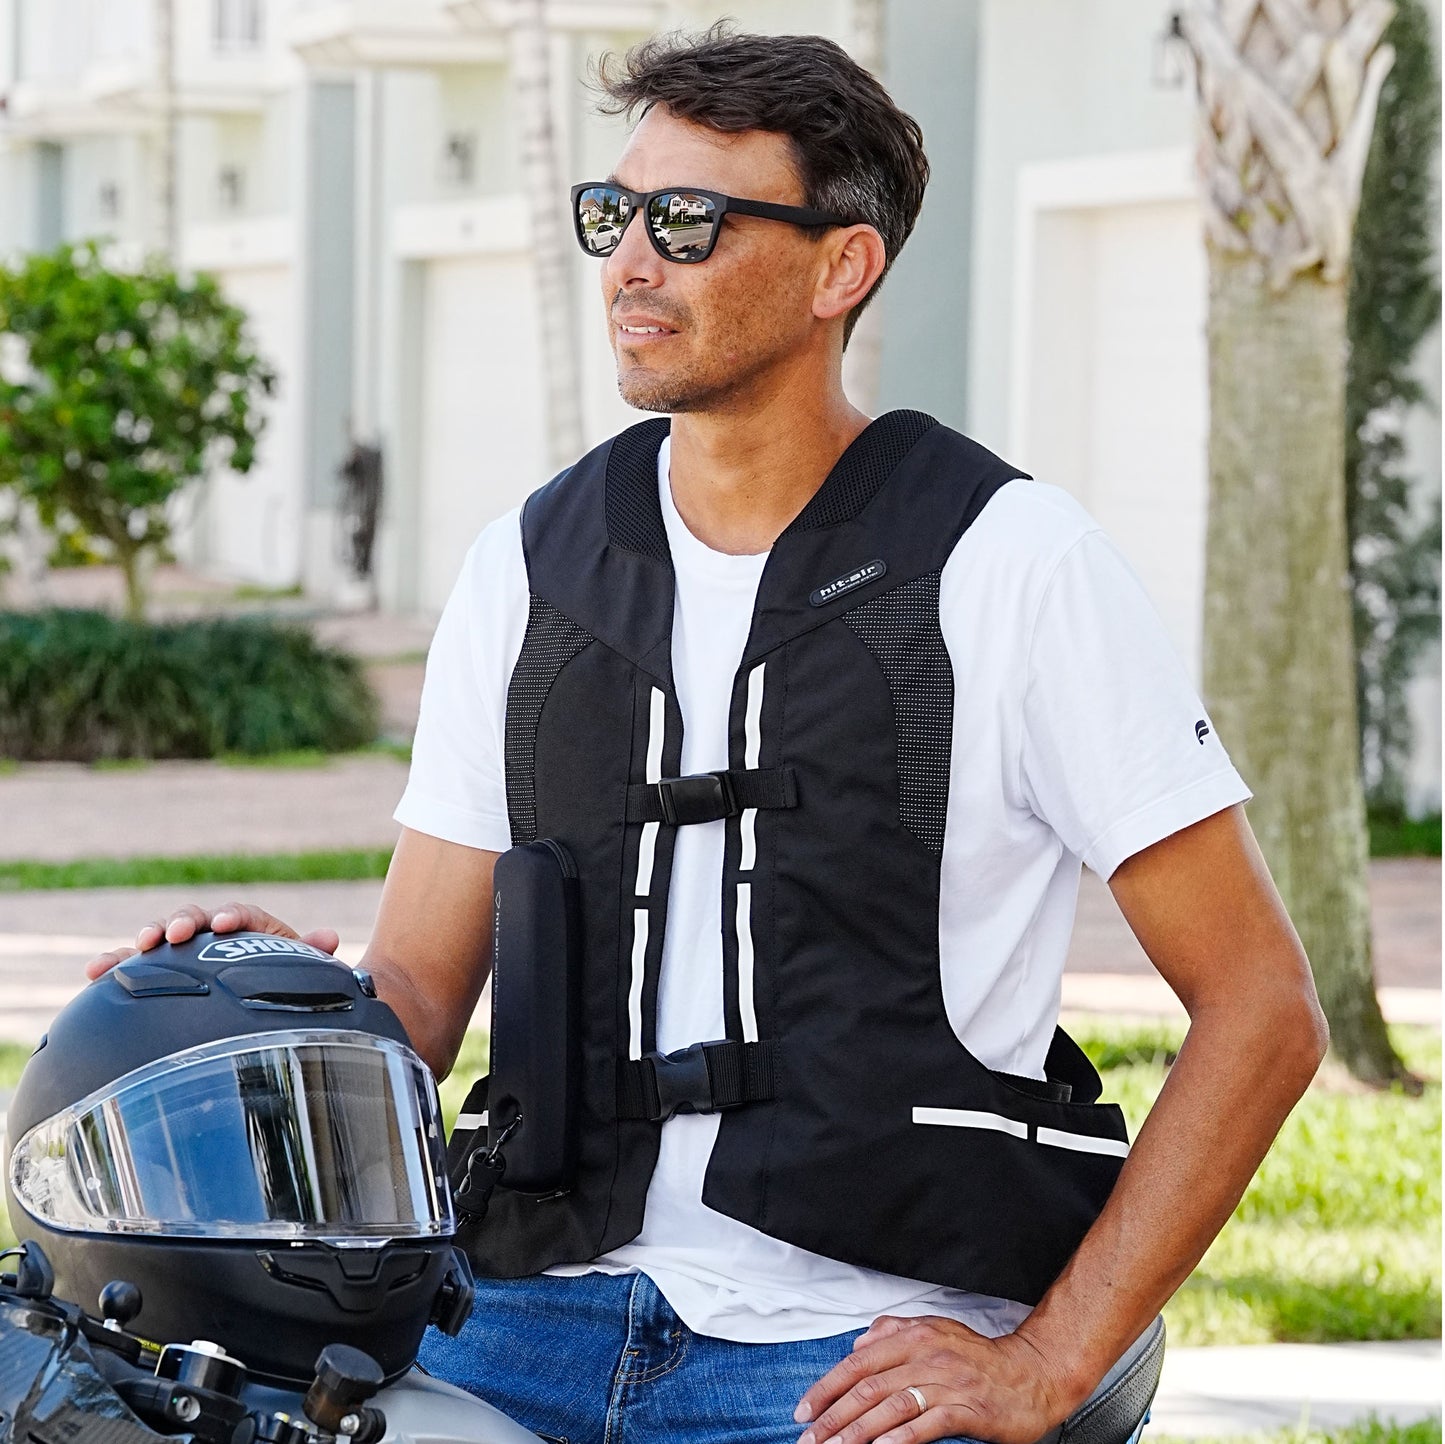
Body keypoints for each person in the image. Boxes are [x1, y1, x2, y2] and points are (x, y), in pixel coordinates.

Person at [86, 27, 1327, 1444]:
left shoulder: (1012, 562)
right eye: (612, 216)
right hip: (514, 1314)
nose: (630, 263)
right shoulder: (529, 564)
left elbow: (1261, 1009)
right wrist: (271, 1012)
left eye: (687, 223)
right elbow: (421, 994)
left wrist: (1049, 1360)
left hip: (857, 1341)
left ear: (836, 267)